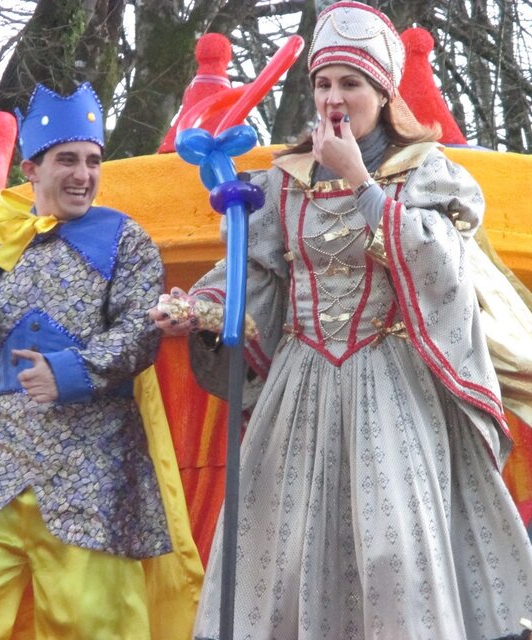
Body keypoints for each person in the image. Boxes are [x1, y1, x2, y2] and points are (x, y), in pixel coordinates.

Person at [151, 2, 532, 639]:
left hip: (394, 385)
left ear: (382, 94)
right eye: (323, 83)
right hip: (299, 385)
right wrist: (201, 308)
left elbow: (443, 268)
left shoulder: (427, 172)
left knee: (393, 549)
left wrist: (361, 182)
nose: (334, 97)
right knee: (284, 552)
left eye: (350, 83)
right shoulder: (282, 182)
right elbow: (257, 274)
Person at [0, 81, 170, 639]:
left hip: (94, 460)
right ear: (31, 170)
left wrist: (69, 372)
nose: (83, 174)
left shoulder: (126, 240)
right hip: (1, 461)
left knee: (90, 618)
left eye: (92, 161)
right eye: (68, 160)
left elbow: (143, 330)